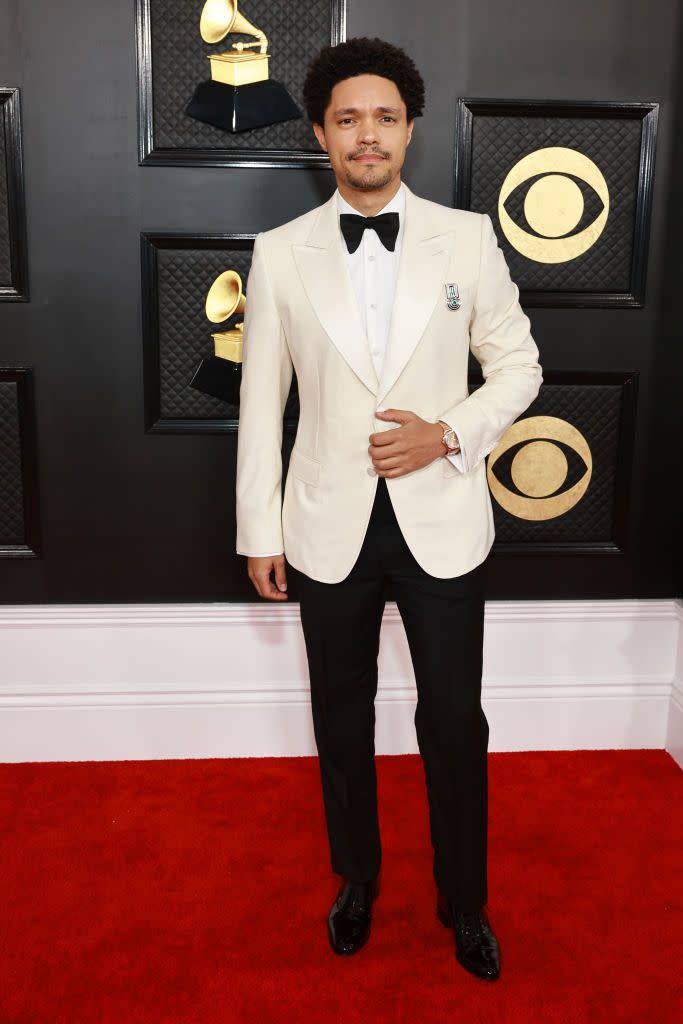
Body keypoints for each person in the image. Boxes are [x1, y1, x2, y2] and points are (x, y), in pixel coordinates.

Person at [235, 36, 542, 981]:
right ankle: (357, 880)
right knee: (340, 715)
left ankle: (464, 900)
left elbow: (520, 368)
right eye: (345, 118)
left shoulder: (467, 236)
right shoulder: (280, 252)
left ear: (407, 128)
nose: (365, 134)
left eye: (383, 116)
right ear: (323, 135)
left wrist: (444, 433)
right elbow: (262, 403)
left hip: (441, 519)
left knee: (454, 721)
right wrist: (260, 530)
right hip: (326, 523)